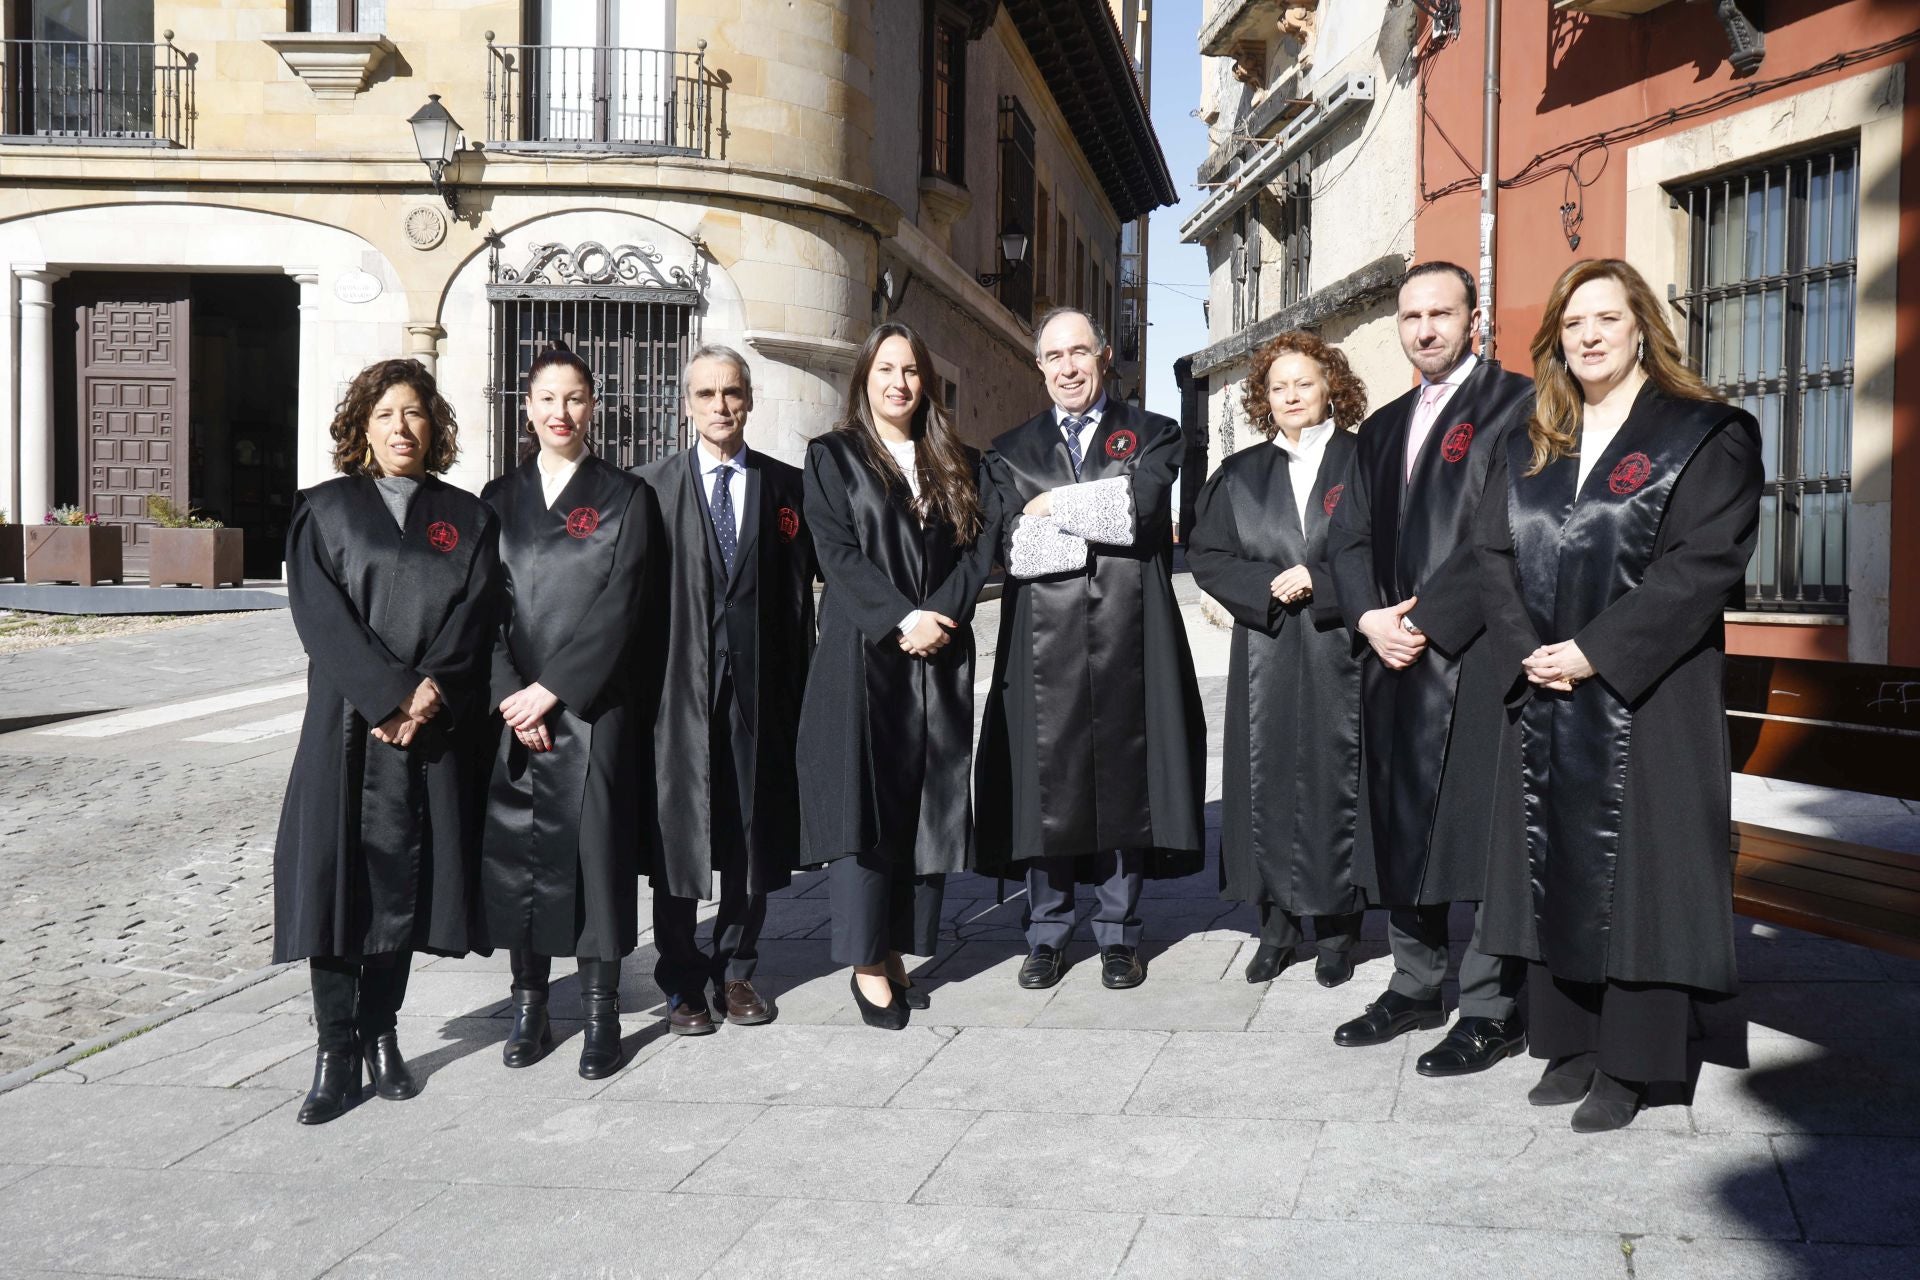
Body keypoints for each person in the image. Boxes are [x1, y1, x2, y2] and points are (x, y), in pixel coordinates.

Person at [1476, 259, 1761, 1131]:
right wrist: (1533, 654)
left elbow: (1702, 567)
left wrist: (1595, 655)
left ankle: (1637, 1065)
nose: (1589, 335)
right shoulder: (1534, 438)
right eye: (1573, 322)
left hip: (1650, 694)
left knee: (1642, 878)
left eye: (1606, 317)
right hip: (1546, 690)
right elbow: (1489, 556)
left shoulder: (1704, 433)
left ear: (1643, 326)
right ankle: (1572, 1041)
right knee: (1550, 863)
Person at [273, 358, 499, 1125]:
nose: (402, 428)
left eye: (415, 414)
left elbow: (475, 614)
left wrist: (430, 691)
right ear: (361, 429)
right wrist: (387, 693)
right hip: (346, 725)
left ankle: (382, 1033)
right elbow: (319, 615)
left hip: (425, 733)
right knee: (337, 890)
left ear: (433, 426)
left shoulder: (466, 517)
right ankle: (335, 1049)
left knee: (400, 887)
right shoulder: (325, 511)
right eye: (386, 415)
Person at [1325, 262, 1535, 1076]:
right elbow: (1342, 539)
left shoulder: (1515, 405)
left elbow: (1509, 527)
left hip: (1476, 652)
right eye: (1411, 316)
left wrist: (1428, 620)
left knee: (1477, 834)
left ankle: (1490, 1007)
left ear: (1473, 319)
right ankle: (1414, 984)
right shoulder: (1379, 428)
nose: (1425, 329)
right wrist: (1371, 618)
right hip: (1390, 654)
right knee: (1399, 823)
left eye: (1441, 313)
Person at [976, 307, 1207, 992]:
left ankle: (1118, 936)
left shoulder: (1155, 433)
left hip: (1130, 636)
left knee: (1122, 781)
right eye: (1055, 356)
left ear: (1104, 357)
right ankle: (1045, 933)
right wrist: (1086, 512)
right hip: (1039, 644)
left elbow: (1138, 514)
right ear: (1039, 366)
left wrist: (1045, 507)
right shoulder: (1008, 449)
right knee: (1045, 784)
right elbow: (1011, 549)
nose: (1069, 367)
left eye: (1081, 352)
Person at [796, 323, 999, 1028]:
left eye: (910, 370)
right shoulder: (833, 458)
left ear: (926, 382)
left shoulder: (957, 461)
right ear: (864, 380)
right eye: (885, 369)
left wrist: (939, 614)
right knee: (865, 810)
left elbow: (980, 551)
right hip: (863, 657)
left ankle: (898, 945)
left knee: (924, 803)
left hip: (936, 659)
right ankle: (864, 961)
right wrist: (900, 619)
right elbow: (836, 552)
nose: (898, 383)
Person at [480, 347, 656, 1080]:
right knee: (520, 856)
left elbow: (625, 605)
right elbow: (479, 609)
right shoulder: (495, 499)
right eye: (547, 398)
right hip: (515, 709)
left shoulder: (625, 497)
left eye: (575, 398)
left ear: (595, 406)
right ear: (526, 406)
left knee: (596, 855)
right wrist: (508, 692)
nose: (561, 413)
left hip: (591, 707)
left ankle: (599, 1010)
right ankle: (529, 1004)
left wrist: (553, 689)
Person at [634, 345, 815, 1035]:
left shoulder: (787, 487)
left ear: (750, 398)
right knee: (677, 838)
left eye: (732, 392)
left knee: (750, 835)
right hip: (674, 697)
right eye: (706, 394)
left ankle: (737, 970)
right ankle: (681, 980)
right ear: (687, 404)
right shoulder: (648, 489)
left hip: (760, 697)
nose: (720, 406)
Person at [1187, 331, 1368, 987]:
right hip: (1265, 647)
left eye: (1305, 382)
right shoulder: (1239, 475)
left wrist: (1321, 577)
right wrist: (1264, 588)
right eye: (1278, 386)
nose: (1292, 395)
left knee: (1337, 782)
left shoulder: (1363, 461)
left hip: (1341, 645)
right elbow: (1207, 556)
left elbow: (1386, 547)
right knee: (1266, 784)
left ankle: (1340, 932)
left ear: (1331, 388)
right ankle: (1277, 930)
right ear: (1265, 400)